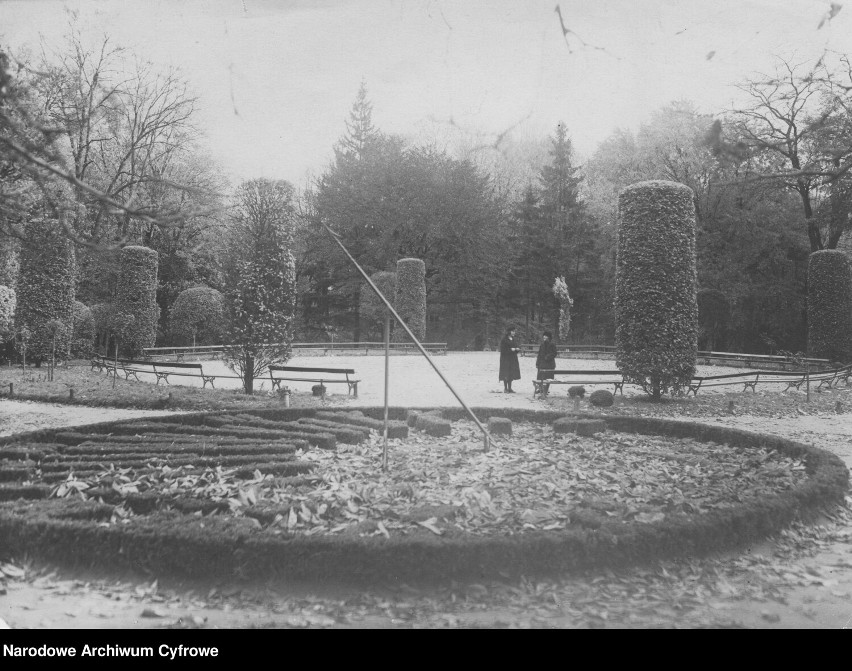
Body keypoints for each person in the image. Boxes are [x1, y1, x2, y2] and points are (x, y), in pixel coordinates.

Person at [535, 331, 558, 397]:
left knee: (548, 378)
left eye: (546, 336)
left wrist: (547, 357)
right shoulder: (542, 344)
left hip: (549, 364)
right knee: (540, 377)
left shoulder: (552, 344)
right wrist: (537, 363)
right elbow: (539, 354)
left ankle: (545, 390)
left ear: (549, 337)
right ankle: (541, 389)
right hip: (541, 364)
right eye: (544, 335)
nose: (544, 337)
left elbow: (554, 353)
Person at [499, 326, 521, 392]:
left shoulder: (514, 339)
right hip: (505, 359)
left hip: (513, 359)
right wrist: (511, 349)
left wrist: (517, 349)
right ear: (509, 332)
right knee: (506, 373)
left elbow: (516, 346)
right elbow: (502, 350)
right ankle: (505, 388)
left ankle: (510, 388)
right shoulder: (504, 339)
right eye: (513, 331)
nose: (514, 332)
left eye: (514, 331)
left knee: (511, 373)